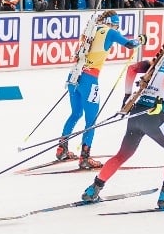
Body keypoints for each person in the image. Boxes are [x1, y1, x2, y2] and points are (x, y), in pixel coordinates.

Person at [81, 36, 164, 210]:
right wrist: (159, 99)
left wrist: (127, 97)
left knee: (122, 155)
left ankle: (93, 190)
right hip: (153, 116)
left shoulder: (159, 61)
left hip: (136, 113)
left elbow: (132, 69)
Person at [57, 10, 145, 168]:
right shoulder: (109, 32)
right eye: (116, 25)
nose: (117, 29)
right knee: (91, 120)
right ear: (112, 23)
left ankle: (61, 148)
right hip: (89, 80)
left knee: (76, 113)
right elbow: (130, 44)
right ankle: (85, 157)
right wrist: (141, 39)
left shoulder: (90, 30)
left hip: (73, 77)